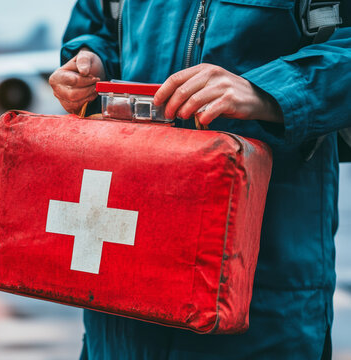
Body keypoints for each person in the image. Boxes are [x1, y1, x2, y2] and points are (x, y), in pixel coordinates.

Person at [49, 1, 350, 358]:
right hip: (121, 288)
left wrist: (266, 92)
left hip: (260, 284)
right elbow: (99, 28)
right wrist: (90, 62)